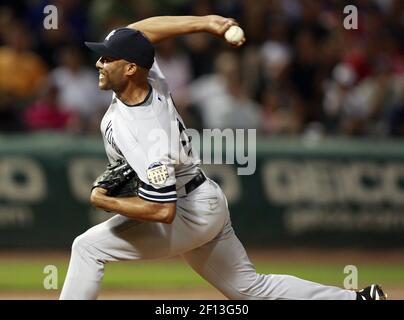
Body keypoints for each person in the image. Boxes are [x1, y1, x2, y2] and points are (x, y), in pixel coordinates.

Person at [60, 15, 386, 300]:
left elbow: (163, 210)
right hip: (204, 199)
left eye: (107, 59)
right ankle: (356, 299)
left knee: (88, 247)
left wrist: (107, 201)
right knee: (250, 290)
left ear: (130, 68)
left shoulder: (146, 131)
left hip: (186, 213)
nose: (99, 63)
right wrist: (208, 23)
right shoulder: (148, 79)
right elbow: (139, 32)